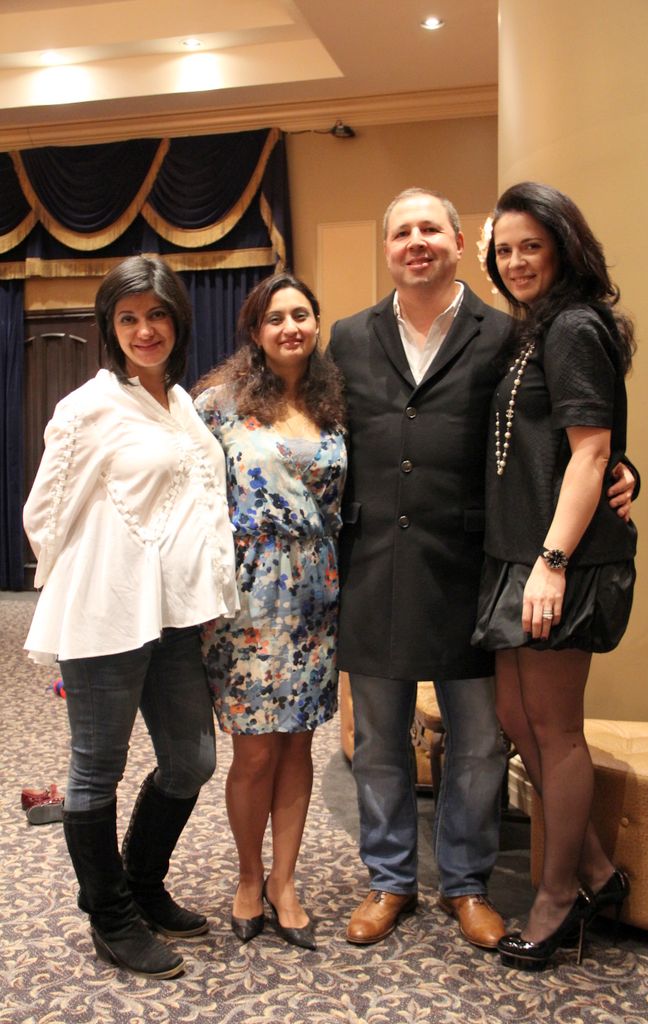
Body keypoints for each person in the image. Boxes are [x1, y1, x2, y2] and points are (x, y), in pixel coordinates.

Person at [327, 187, 635, 951]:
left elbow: (566, 430)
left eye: (430, 229)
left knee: (477, 742)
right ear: (386, 248)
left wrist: (623, 469)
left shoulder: (507, 333)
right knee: (378, 740)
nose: (415, 242)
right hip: (373, 566)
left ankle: (465, 884)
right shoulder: (348, 337)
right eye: (401, 231)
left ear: (459, 244)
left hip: (474, 568)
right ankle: (389, 879)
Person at [23, 256, 239, 979]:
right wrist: (95, 574)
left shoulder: (179, 403)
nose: (144, 330)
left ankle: (142, 883)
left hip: (174, 615)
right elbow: (42, 516)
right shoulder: (88, 407)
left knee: (192, 760)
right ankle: (110, 915)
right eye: (128, 318)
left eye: (157, 315)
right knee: (97, 767)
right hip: (106, 612)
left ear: (177, 321)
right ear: (109, 327)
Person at [472, 181, 637, 970]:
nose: (515, 262)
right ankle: (598, 873)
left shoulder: (572, 325)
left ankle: (556, 899)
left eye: (530, 246)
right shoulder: (532, 327)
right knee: (516, 716)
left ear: (563, 248)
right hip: (516, 554)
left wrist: (551, 564)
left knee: (555, 728)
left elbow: (591, 450)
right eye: (504, 250)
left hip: (553, 562)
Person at [194, 272, 346, 951]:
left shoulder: (334, 404)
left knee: (298, 744)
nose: (290, 327)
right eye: (275, 318)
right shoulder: (217, 406)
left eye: (301, 315)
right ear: (255, 331)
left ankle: (285, 881)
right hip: (248, 596)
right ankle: (248, 876)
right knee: (254, 751)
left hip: (316, 592)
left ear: (315, 323)